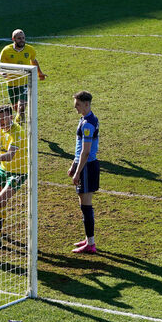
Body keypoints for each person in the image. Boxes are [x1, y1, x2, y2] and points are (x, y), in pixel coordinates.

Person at [0, 105, 28, 250]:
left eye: (3, 118)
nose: (0, 121)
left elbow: (10, 156)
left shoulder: (17, 132)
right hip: (3, 170)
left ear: (10, 117)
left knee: (1, 200)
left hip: (18, 172)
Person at [68, 91, 100, 254]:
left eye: (78, 105)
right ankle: (88, 239)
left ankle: (91, 244)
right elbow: (80, 148)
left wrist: (77, 172)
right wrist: (73, 165)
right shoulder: (88, 119)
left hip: (87, 167)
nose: (76, 107)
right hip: (84, 166)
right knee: (84, 205)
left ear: (86, 104)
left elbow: (86, 152)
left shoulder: (87, 124)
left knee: (86, 206)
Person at [0, 29, 47, 123]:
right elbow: (0, 65)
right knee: (15, 107)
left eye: (23, 38)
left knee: (21, 106)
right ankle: (20, 117)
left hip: (25, 82)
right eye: (19, 38)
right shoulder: (6, 50)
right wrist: (2, 73)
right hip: (11, 83)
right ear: (13, 39)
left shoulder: (30, 49)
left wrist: (40, 73)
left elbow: (33, 61)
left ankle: (18, 123)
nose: (22, 40)